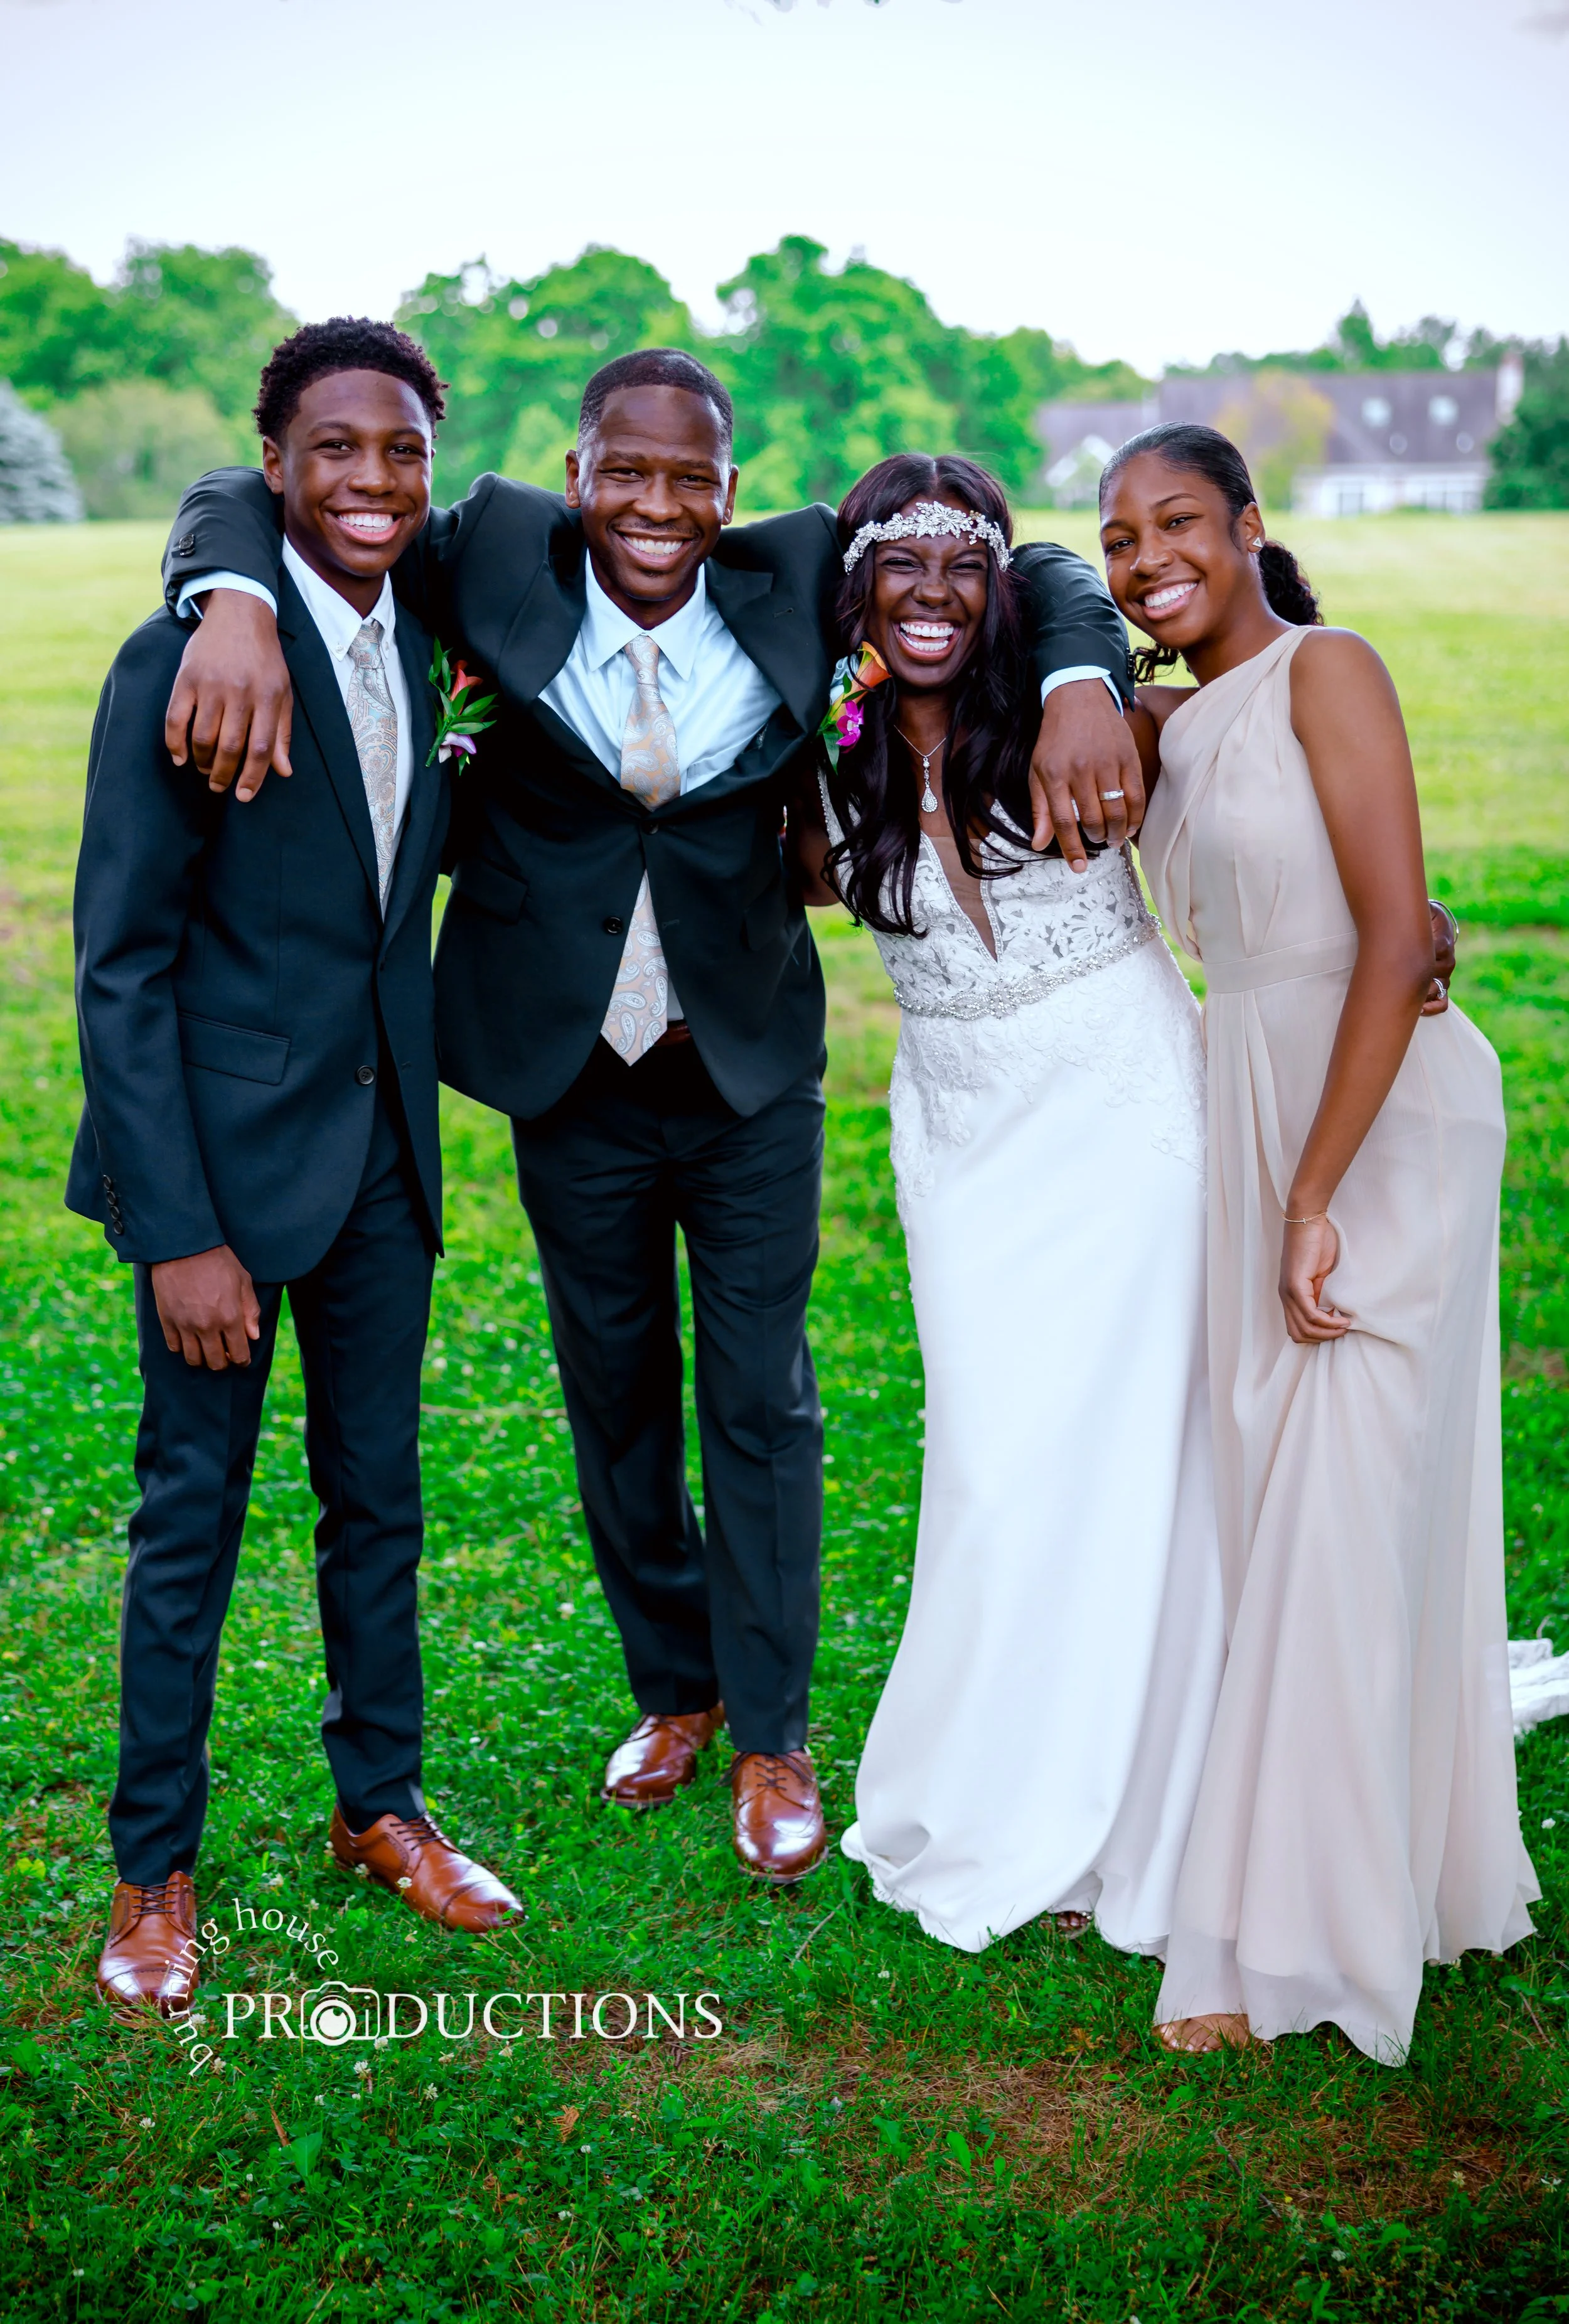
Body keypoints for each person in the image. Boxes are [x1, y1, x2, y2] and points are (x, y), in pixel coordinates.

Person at [153, 352, 1142, 1883]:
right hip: (566, 1070)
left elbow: (1028, 565)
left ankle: (769, 1732)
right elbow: (251, 489)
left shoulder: (801, 572)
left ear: (731, 489)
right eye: (626, 474)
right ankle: (669, 1694)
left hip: (745, 1067)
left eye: (691, 480)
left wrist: (1082, 678)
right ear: (575, 470)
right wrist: (220, 601)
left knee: (759, 1396)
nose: (656, 507)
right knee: (612, 1394)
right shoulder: (480, 549)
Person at [72, 320, 520, 2017]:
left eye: (400, 449)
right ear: (273, 468)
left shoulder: (434, 646)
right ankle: (151, 1864)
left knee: (379, 1499)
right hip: (219, 1174)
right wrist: (175, 1229)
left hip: (384, 1155)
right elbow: (120, 962)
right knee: (191, 1519)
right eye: (334, 449)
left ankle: (380, 1803)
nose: (373, 481)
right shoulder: (183, 658)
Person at [1105, 422, 1538, 2062]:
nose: (1150, 556)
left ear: (1246, 525)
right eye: (1118, 536)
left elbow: (1388, 935)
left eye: (1179, 523)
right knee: (1282, 1501)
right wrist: (1073, 664)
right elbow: (870, 695)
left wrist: (1314, 1191)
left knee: (1339, 1515)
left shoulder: (1324, 668)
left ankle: (1295, 1945)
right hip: (1251, 1105)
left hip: (1376, 1116)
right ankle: (1388, 1876)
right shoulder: (1147, 717)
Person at [788, 454, 1227, 1953]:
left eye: (960, 566)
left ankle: (1175, 1766)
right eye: (895, 567)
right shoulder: (823, 741)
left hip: (1121, 1100)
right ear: (852, 589)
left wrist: (1390, 901)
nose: (928, 595)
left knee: (1152, 1436)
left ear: (999, 585)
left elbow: (1252, 749)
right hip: (963, 1132)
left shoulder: (1066, 707)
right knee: (993, 1455)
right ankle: (1008, 1774)